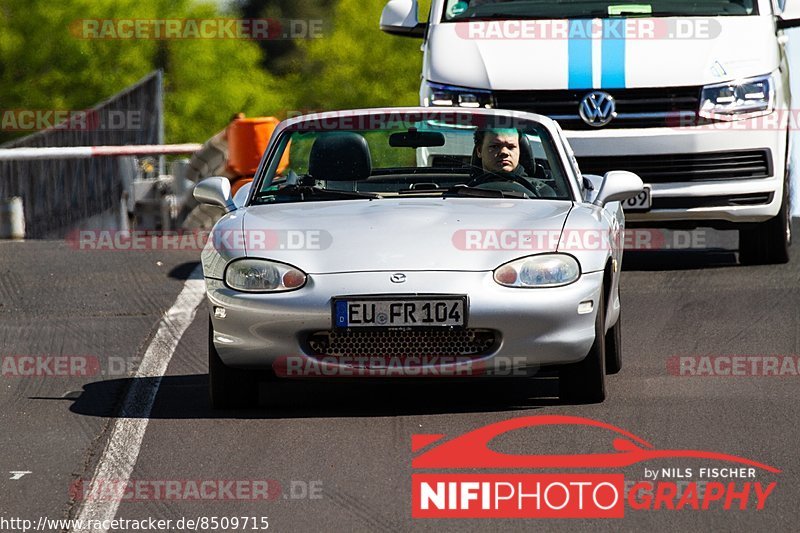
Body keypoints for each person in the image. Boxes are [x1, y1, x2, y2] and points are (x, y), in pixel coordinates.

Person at [471, 128, 556, 197]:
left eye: (511, 147)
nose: (504, 152)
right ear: (479, 151)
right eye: (495, 146)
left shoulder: (543, 192)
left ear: (520, 150)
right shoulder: (460, 192)